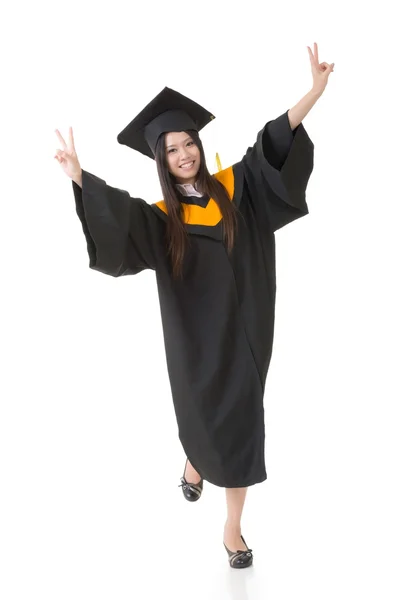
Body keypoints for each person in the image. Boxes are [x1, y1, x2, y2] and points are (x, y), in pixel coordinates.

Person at [54, 43, 334, 569]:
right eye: (172, 150)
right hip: (197, 344)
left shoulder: (237, 187)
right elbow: (120, 217)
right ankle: (195, 461)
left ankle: (232, 526)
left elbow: (271, 146)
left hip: (248, 333)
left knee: (242, 422)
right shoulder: (162, 219)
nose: (184, 154)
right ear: (160, 160)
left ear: (199, 146)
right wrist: (79, 176)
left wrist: (312, 95)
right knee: (204, 416)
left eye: (189, 143)